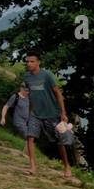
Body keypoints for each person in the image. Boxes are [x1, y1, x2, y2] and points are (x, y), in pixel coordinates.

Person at [21, 51, 74, 180]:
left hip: (51, 114)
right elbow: (31, 96)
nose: (29, 64)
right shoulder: (27, 77)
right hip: (35, 114)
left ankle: (67, 166)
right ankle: (32, 167)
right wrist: (29, 114)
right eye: (27, 61)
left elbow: (58, 94)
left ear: (38, 62)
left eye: (32, 61)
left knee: (59, 141)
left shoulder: (47, 75)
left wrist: (63, 113)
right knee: (30, 137)